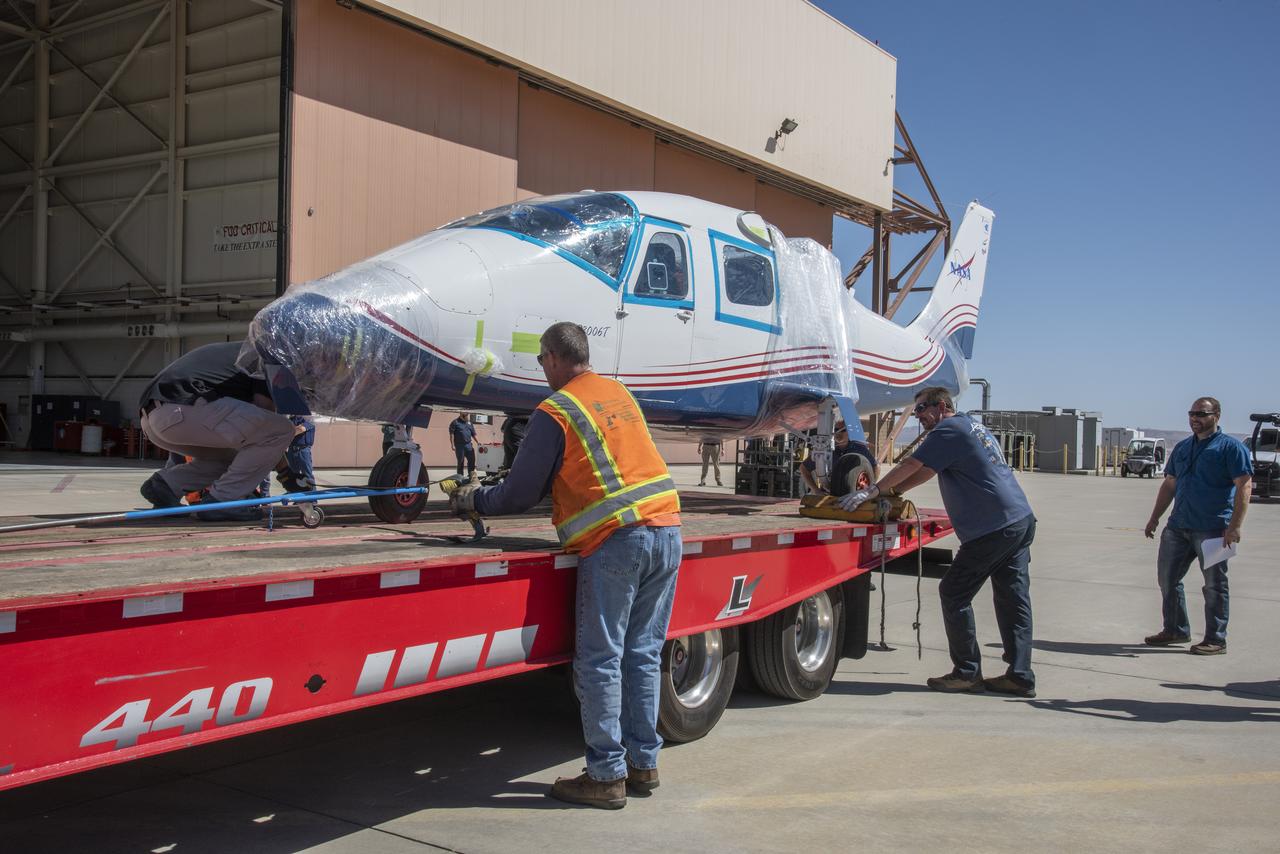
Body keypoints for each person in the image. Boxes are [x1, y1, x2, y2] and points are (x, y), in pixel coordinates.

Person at [450, 322, 681, 810]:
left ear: (554, 357)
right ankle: (643, 763)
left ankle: (605, 776)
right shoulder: (617, 392)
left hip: (618, 537)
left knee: (601, 659)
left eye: (540, 360)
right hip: (667, 526)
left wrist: (474, 499)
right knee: (642, 654)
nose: (541, 368)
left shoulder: (556, 409)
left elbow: (519, 493)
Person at [840, 387, 1037, 697]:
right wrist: (896, 492)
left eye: (922, 409)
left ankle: (967, 673)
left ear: (942, 406)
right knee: (1013, 598)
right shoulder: (970, 426)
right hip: (1019, 520)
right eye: (916, 410)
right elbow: (928, 471)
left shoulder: (948, 428)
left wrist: (873, 491)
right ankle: (1021, 675)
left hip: (993, 528)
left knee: (954, 592)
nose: (918, 416)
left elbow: (911, 465)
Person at [138, 342, 296, 522]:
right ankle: (224, 500)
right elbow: (267, 426)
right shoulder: (269, 355)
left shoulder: (240, 353)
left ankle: (166, 486)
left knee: (231, 458)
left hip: (154, 419)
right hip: (185, 408)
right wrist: (286, 474)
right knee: (282, 428)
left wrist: (284, 472)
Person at [1142, 397, 1252, 655]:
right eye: (1192, 414)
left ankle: (1216, 639)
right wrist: (1155, 517)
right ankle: (1175, 629)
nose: (1195, 419)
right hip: (1178, 526)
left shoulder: (1230, 448)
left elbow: (1244, 485)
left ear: (1217, 416)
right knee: (1167, 579)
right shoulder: (1182, 448)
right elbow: (1170, 483)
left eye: (1201, 414)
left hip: (1213, 529)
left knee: (1214, 585)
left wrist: (1235, 525)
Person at [798, 422, 875, 495]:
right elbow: (803, 468)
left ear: (849, 432)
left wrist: (870, 488)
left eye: (843, 430)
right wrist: (815, 490)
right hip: (829, 496)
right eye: (836, 430)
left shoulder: (859, 448)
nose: (838, 433)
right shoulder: (825, 449)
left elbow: (876, 467)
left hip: (853, 495)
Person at [449, 412, 478, 479]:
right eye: (466, 416)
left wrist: (478, 442)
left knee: (472, 461)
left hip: (469, 445)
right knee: (460, 462)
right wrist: (452, 445)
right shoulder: (455, 423)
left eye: (468, 416)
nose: (467, 418)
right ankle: (460, 478)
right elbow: (452, 434)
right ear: (462, 416)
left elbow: (473, 434)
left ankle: (471, 477)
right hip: (460, 446)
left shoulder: (469, 423)